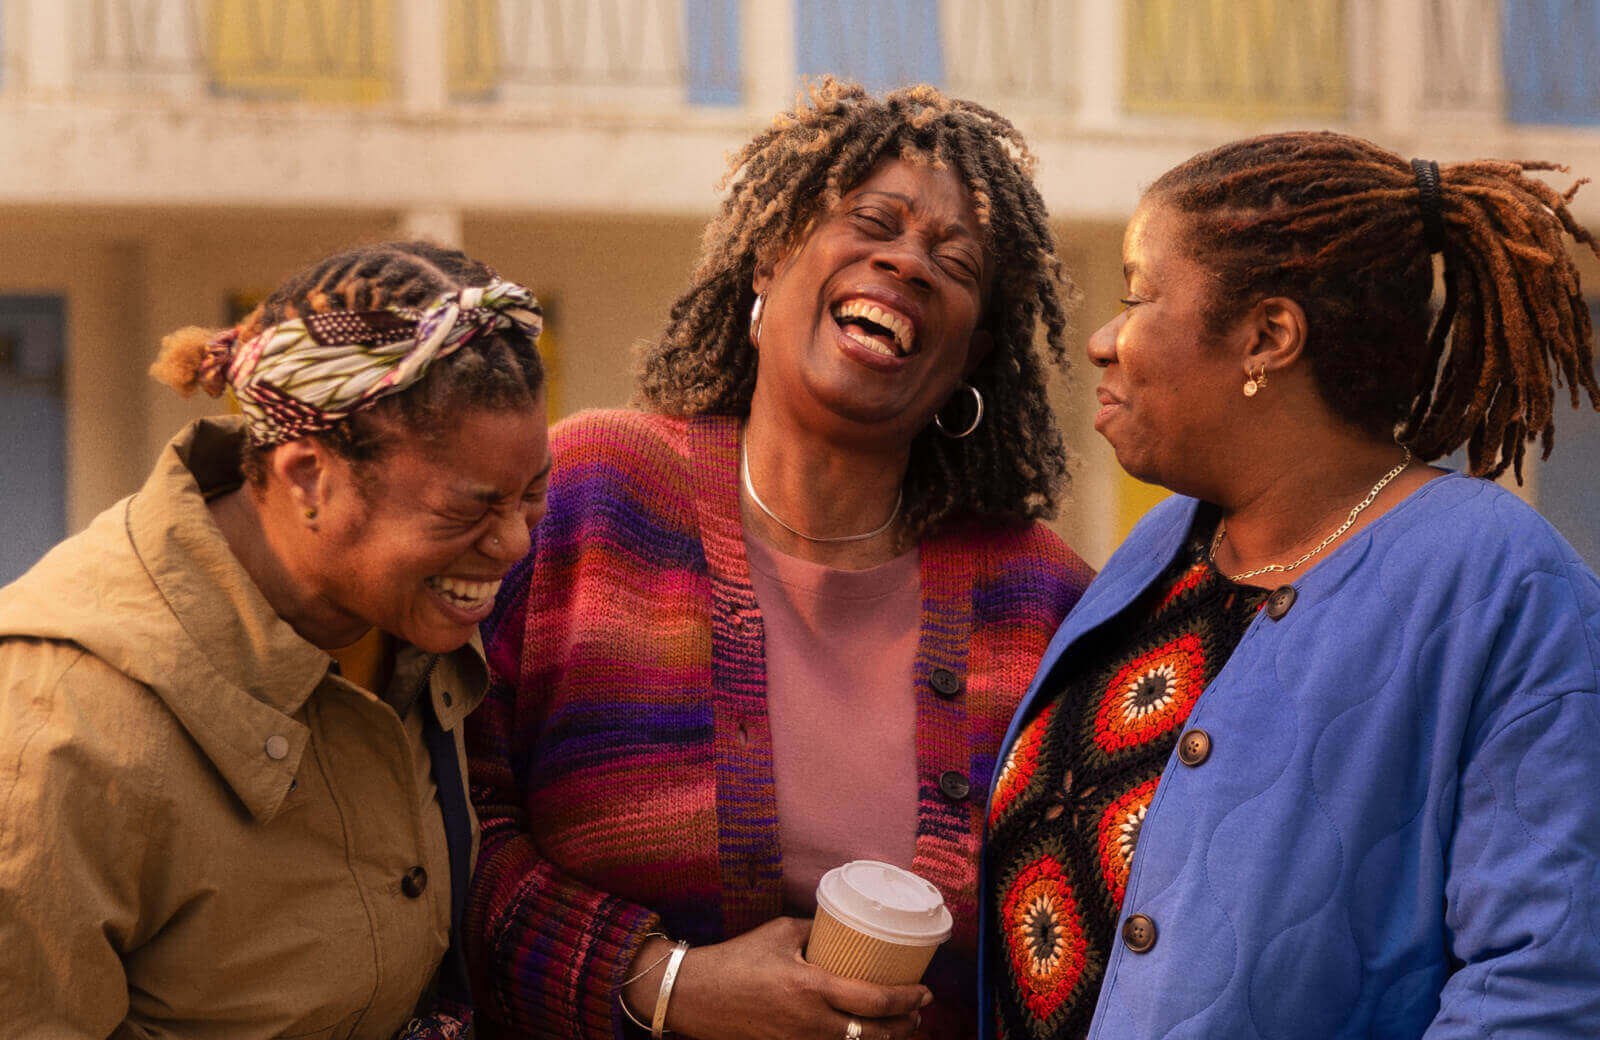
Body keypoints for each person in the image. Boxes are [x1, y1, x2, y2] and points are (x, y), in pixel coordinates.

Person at [466, 79, 1094, 1040]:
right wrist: (658, 980)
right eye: (871, 221)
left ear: (973, 356)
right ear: (766, 260)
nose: (907, 262)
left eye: (955, 263)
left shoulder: (1039, 597)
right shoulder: (590, 498)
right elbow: (444, 821)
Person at [981, 131, 1600, 1039]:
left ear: (1268, 337)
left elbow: (1546, 984)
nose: (1101, 340)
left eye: (1138, 295)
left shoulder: (1505, 586)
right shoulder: (1163, 548)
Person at [0, 242, 551, 1039]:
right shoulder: (56, 730)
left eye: (532, 494)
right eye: (466, 511)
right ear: (306, 478)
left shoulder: (408, 620)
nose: (514, 545)